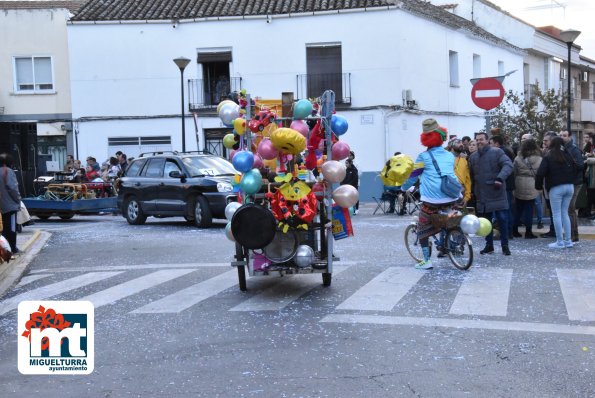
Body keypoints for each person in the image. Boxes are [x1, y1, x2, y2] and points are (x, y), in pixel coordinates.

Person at [401, 118, 462, 270]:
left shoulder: (423, 157)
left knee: (422, 228)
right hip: (453, 195)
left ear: (425, 139)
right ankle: (451, 239)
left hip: (432, 199)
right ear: (442, 138)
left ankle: (426, 260)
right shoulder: (450, 156)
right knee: (449, 219)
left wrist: (403, 187)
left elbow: (413, 177)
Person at [468, 132, 513, 256]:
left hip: (497, 192)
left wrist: (500, 178)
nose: (479, 142)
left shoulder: (497, 152)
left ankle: (505, 246)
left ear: (487, 140)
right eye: (477, 140)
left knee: (502, 220)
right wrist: (471, 191)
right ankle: (489, 245)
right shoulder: (473, 157)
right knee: (485, 223)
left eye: (481, 139)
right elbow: (470, 176)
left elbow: (508, 165)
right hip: (481, 195)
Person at [535, 136, 576, 249]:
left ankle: (559, 241)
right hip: (570, 186)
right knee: (565, 213)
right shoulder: (568, 154)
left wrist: (538, 186)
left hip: (556, 187)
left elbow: (540, 173)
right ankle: (568, 241)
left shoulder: (549, 155)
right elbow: (576, 168)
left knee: (556, 214)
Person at [512, 138, 542, 239]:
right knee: (529, 210)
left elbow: (514, 171)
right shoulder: (539, 158)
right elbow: (540, 173)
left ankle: (514, 230)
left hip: (519, 183)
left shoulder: (518, 157)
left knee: (518, 209)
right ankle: (528, 232)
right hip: (532, 183)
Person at [489, 133, 516, 240]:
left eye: (490, 143)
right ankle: (508, 232)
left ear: (496, 143)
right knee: (506, 209)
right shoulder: (506, 151)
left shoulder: (501, 152)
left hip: (504, 184)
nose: (489, 146)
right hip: (506, 184)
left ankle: (507, 232)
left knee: (505, 209)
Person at [559, 130, 584, 242]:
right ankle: (571, 234)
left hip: (574, 182)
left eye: (564, 135)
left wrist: (568, 167)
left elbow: (580, 165)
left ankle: (574, 234)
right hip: (567, 182)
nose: (562, 137)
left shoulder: (574, 149)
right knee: (567, 209)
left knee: (570, 209)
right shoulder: (561, 149)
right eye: (560, 135)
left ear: (569, 137)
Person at [0, 153, 22, 255]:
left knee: (3, 228)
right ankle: (11, 248)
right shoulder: (8, 171)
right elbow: (13, 188)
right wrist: (18, 200)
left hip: (1, 205)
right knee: (11, 229)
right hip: (10, 205)